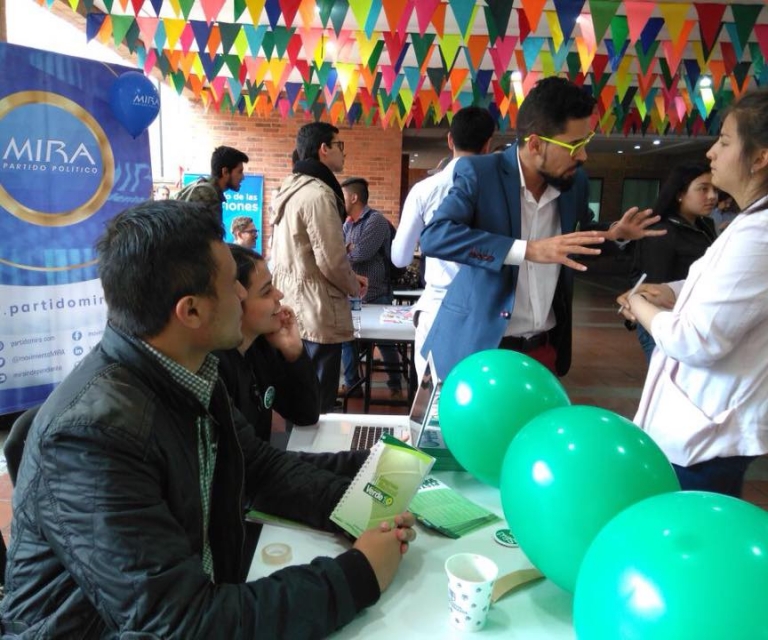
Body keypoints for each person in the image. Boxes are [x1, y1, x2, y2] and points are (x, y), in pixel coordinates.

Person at [0, 200, 415, 637]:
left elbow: (262, 468)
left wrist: (366, 512)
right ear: (191, 311)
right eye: (232, 283)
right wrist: (359, 574)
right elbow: (182, 624)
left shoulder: (190, 370)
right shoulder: (92, 439)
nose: (242, 294)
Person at [419, 76, 664, 381]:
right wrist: (527, 250)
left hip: (543, 349)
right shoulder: (481, 174)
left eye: (585, 143)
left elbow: (573, 246)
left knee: (534, 429)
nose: (584, 156)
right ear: (534, 144)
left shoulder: (574, 183)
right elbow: (435, 236)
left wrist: (614, 235)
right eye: (575, 145)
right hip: (481, 346)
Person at [618, 88, 768, 497]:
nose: (712, 154)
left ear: (759, 158)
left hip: (704, 435)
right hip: (693, 423)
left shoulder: (759, 233)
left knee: (684, 537)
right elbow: (728, 286)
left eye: (724, 141)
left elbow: (696, 338)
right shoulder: (746, 224)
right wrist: (670, 291)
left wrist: (637, 303)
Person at [391, 106, 496, 377]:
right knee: (478, 399)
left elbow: (400, 258)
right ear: (489, 144)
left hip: (438, 307)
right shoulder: (503, 193)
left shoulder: (425, 190)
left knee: (434, 403)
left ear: (450, 140)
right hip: (487, 312)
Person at [270, 123, 367, 412]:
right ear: (324, 149)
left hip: (294, 305)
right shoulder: (320, 194)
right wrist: (353, 285)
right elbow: (332, 262)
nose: (343, 153)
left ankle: (302, 452)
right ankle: (315, 456)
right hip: (317, 310)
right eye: (340, 146)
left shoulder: (289, 188)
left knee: (299, 395)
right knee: (319, 402)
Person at [630, 162, 717, 362]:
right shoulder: (662, 231)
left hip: (694, 319)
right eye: (703, 189)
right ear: (679, 194)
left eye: (715, 190)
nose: (712, 196)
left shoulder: (705, 225)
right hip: (668, 323)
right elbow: (653, 287)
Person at [340, 177, 402, 398]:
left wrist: (345, 250)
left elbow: (360, 254)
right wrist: (345, 250)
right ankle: (352, 385)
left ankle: (395, 384)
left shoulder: (375, 221)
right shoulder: (347, 223)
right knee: (348, 341)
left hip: (377, 294)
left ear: (354, 197)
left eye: (343, 195)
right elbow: (339, 253)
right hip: (353, 294)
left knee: (385, 342)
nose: (340, 200)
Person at [175, 145, 249, 220]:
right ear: (225, 172)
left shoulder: (203, 187)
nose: (243, 177)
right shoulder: (207, 195)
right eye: (240, 172)